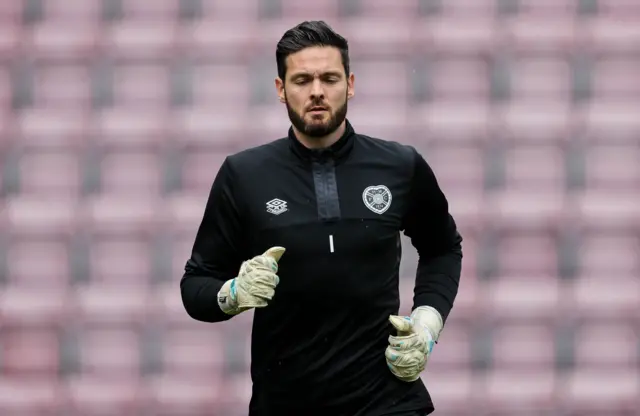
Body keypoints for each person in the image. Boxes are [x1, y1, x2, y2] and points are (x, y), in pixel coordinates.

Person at [180, 20, 463, 416]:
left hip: (386, 402)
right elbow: (195, 285)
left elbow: (443, 247)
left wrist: (427, 324)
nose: (316, 91)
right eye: (301, 80)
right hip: (285, 403)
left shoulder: (399, 166)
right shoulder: (244, 175)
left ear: (350, 83)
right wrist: (233, 293)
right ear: (281, 90)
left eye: (329, 78)